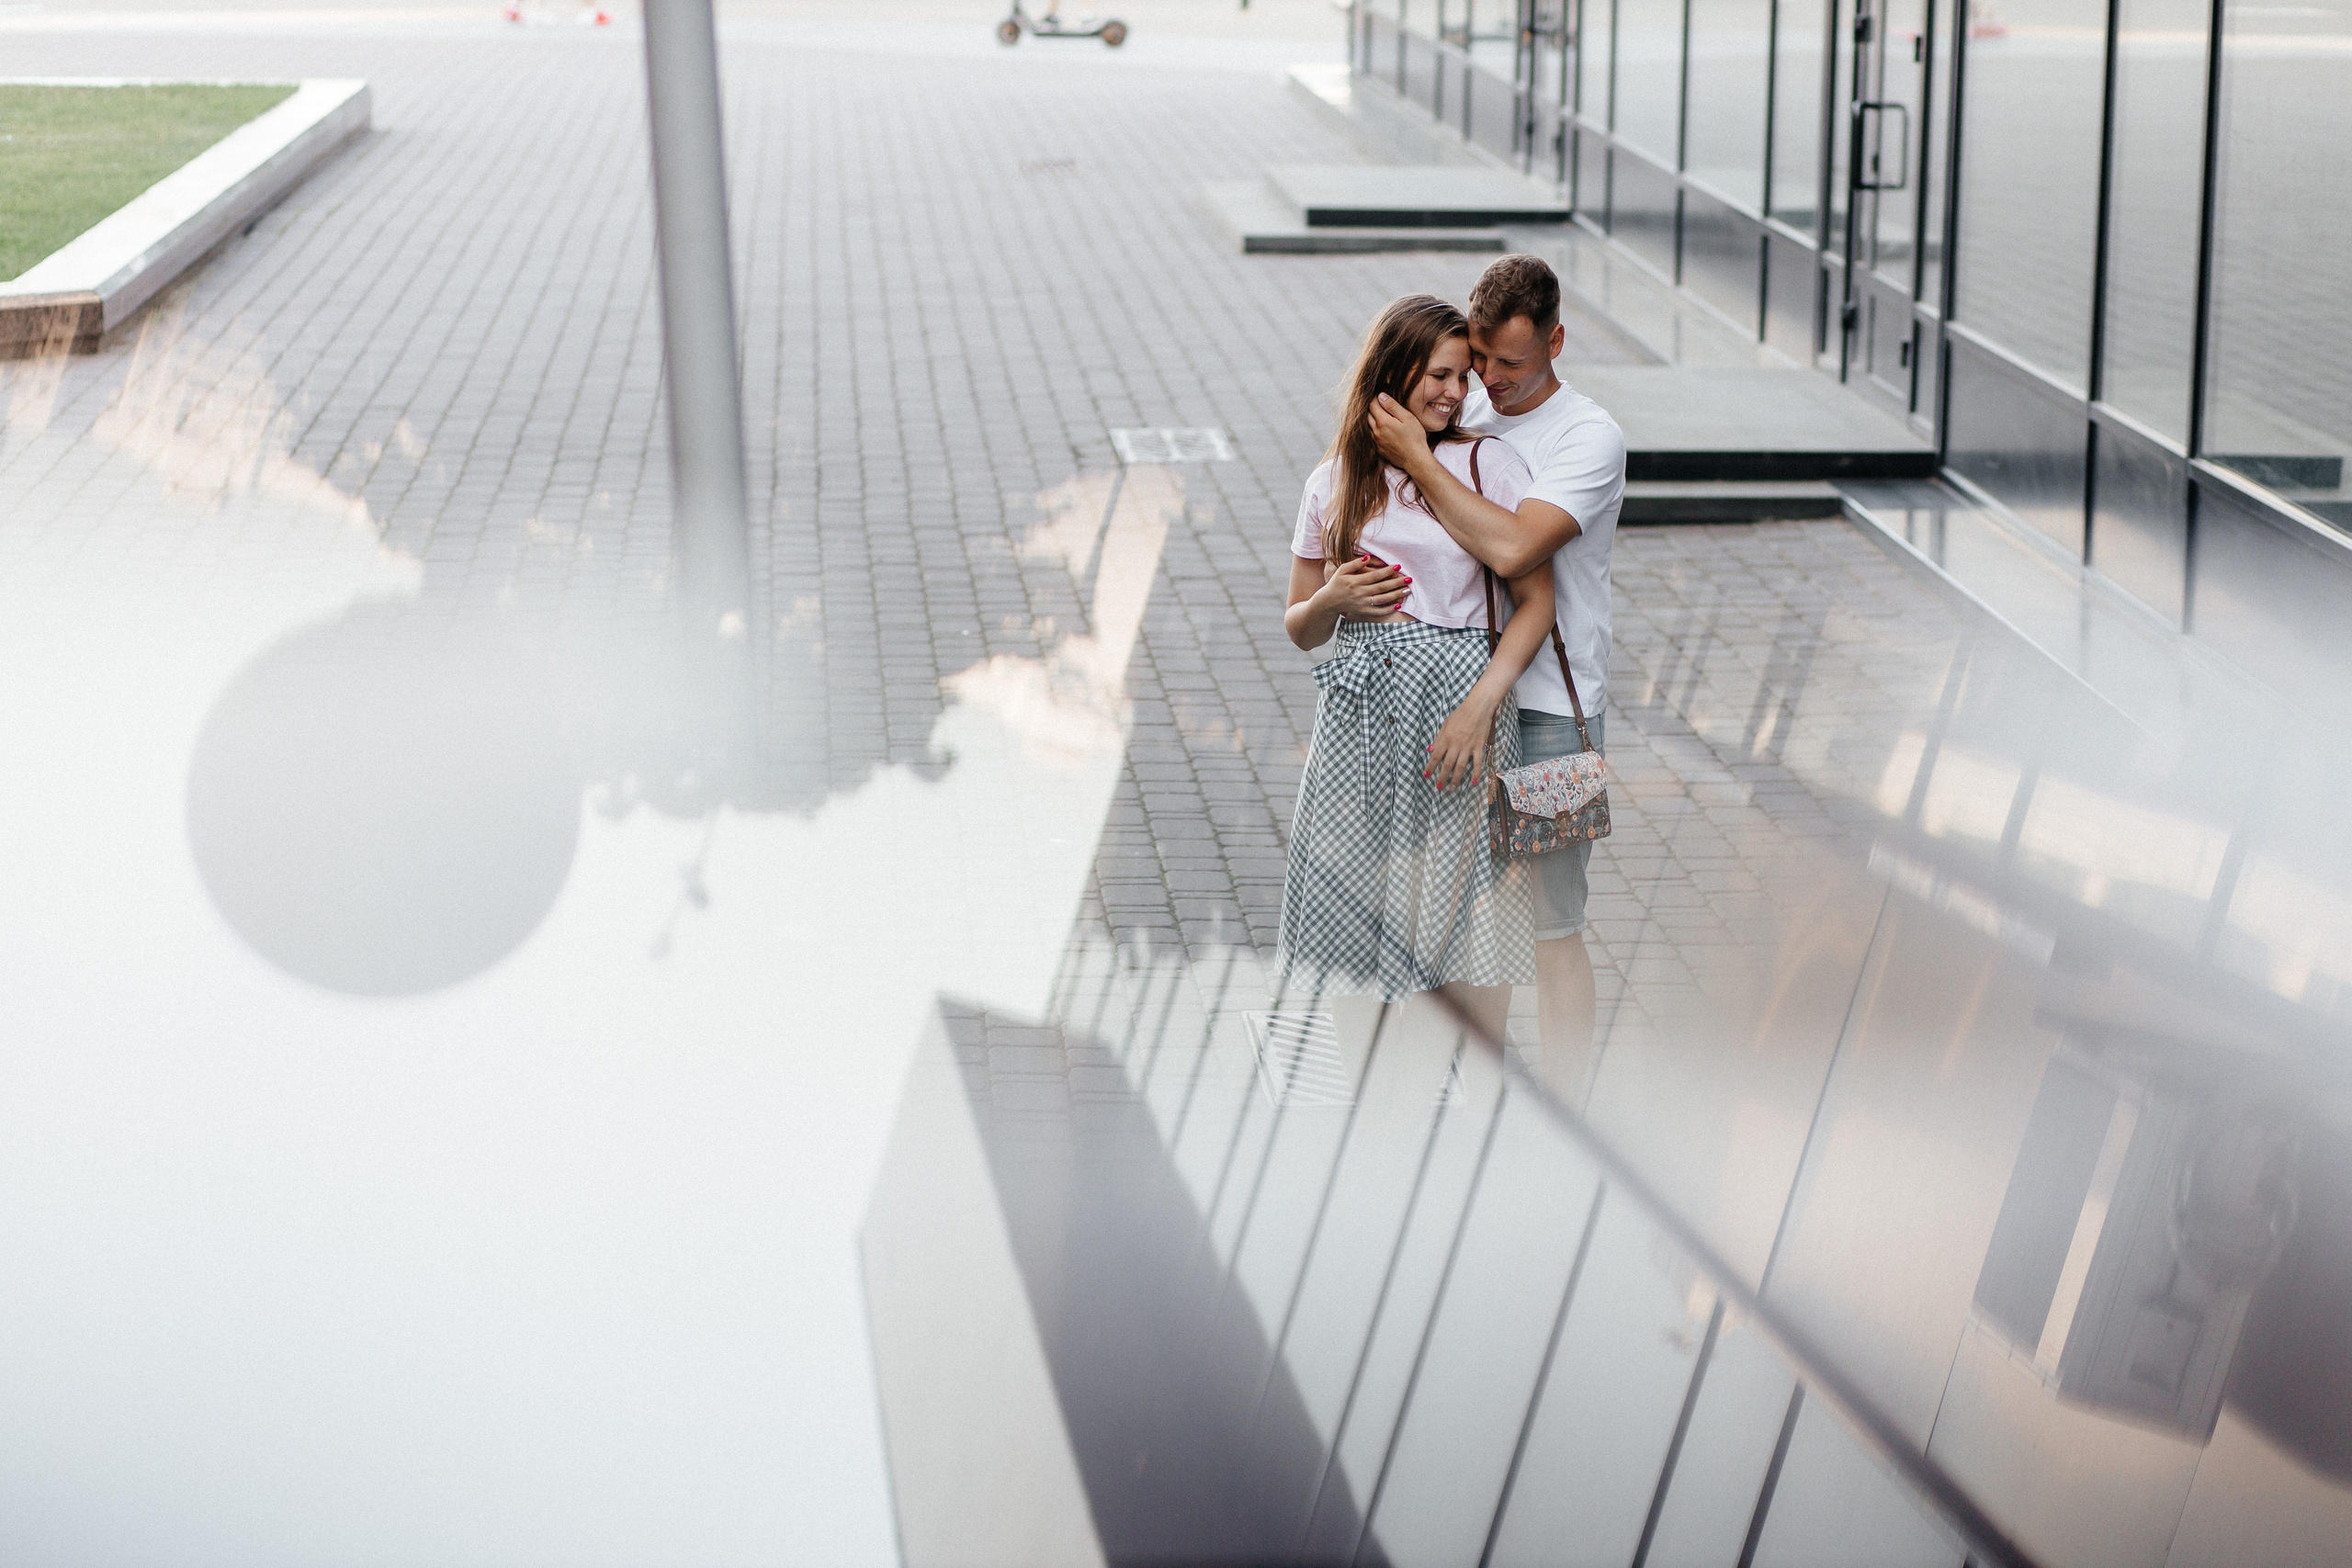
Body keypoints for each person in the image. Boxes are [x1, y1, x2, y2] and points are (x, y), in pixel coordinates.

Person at [1367, 255, 1626, 1100]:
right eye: (1481, 358)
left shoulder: (1588, 438)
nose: (1490, 381)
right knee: (1486, 923)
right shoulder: (1473, 400)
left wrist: (1420, 454)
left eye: (1512, 364)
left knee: (1549, 924)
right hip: (1462, 701)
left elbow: (1516, 549)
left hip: (1550, 709)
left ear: (1556, 342)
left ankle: (1572, 1110)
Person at [1274, 296, 1558, 1036]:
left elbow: (1536, 602)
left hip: (1455, 710)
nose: (1455, 392)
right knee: (1350, 899)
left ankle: (1471, 1083)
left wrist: (1480, 707)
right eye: (1439, 374)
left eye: (1464, 377)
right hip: (1358, 714)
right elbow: (1300, 628)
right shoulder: (1332, 481)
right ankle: (1372, 1098)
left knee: (1464, 906)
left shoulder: (1486, 462)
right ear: (1393, 371)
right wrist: (1332, 597)